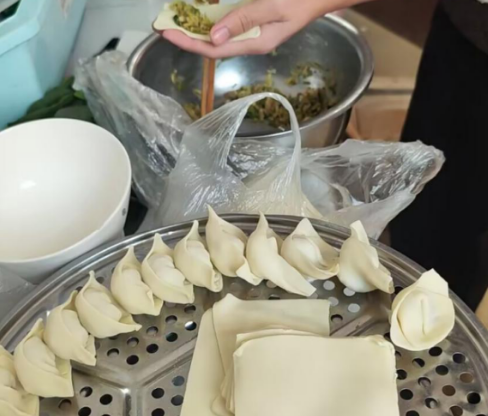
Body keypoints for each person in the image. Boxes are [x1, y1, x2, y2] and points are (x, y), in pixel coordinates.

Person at [161, 0, 488, 311]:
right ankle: (403, 288)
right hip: (466, 26)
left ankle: (443, 318)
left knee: (464, 234)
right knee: (427, 218)